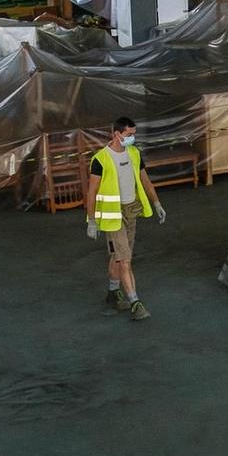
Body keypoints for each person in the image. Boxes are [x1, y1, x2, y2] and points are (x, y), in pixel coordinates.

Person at [86, 116, 164, 321]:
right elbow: (91, 192)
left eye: (134, 134)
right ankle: (135, 303)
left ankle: (113, 292)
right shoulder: (100, 160)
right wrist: (91, 220)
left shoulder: (134, 154)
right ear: (116, 134)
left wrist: (156, 203)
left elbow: (145, 181)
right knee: (125, 260)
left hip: (132, 211)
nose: (133, 138)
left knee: (119, 256)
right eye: (129, 135)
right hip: (113, 216)